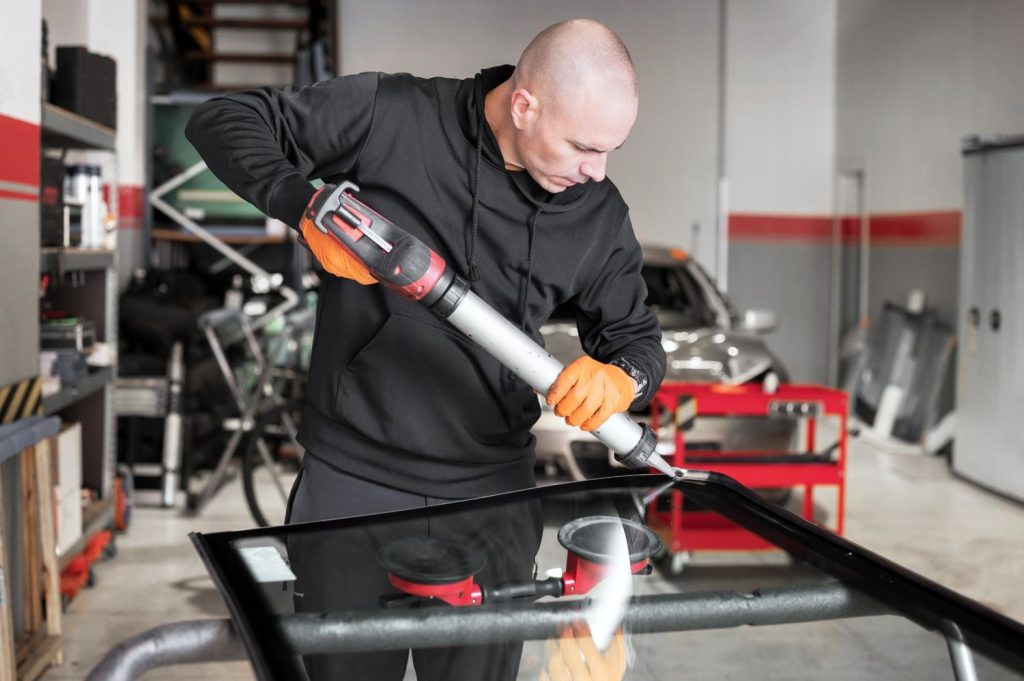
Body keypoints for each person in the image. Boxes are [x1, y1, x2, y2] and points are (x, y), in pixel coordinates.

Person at [186, 18, 664, 680]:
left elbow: (637, 339)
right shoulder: (393, 116)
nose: (597, 170)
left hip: (492, 493)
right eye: (584, 146)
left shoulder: (597, 212)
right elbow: (225, 120)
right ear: (524, 105)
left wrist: (622, 378)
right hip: (353, 483)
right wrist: (304, 206)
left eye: (611, 150)